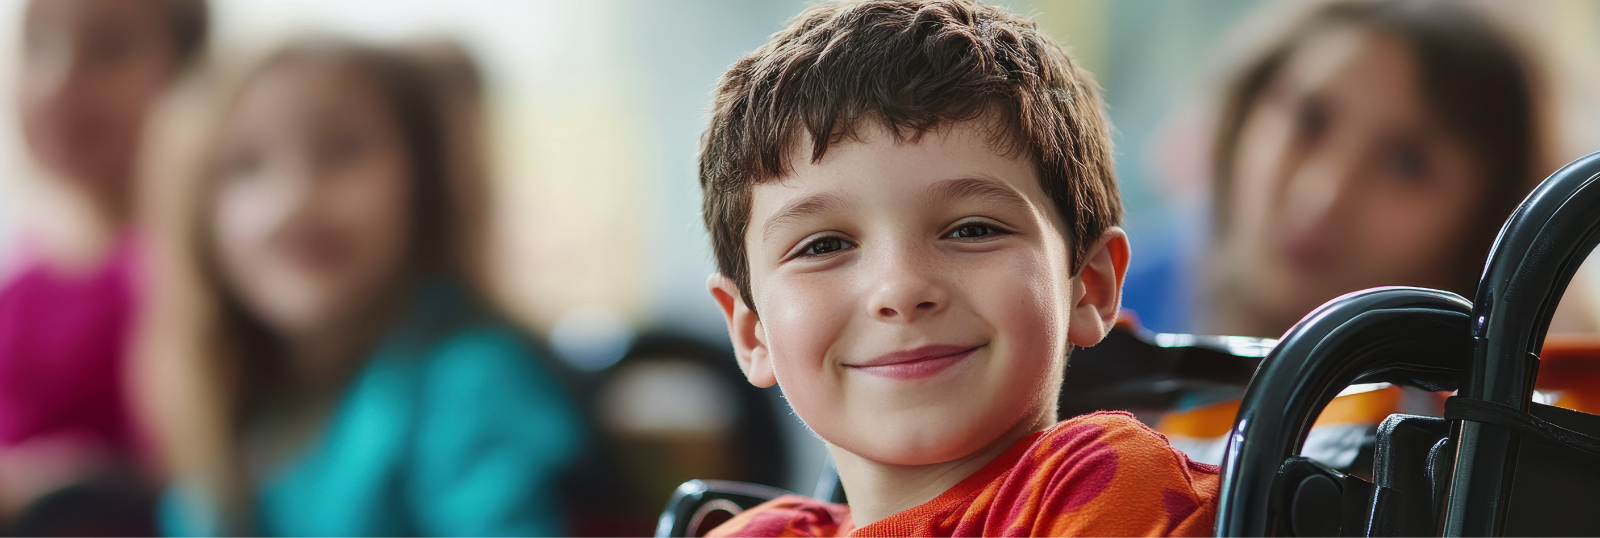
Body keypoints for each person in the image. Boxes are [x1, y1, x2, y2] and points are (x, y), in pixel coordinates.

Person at [698, 1, 1218, 536]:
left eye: (972, 231)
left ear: (1088, 286)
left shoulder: (1102, 481)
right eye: (823, 245)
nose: (901, 288)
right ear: (751, 331)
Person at [139, 39, 582, 536]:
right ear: (196, 220)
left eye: (342, 150)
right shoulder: (228, 403)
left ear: (425, 181)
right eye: (245, 166)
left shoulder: (472, 380)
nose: (296, 200)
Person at [1203, 0, 1569, 338]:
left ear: (1489, 224)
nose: (1320, 198)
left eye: (1407, 164)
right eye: (1308, 120)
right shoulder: (1146, 304)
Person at [0, 0, 206, 522]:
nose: (62, 78)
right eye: (39, 45)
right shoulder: (20, 276)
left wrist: (46, 484)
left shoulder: (190, 269)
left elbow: (197, 475)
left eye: (111, 49)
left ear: (188, 75)